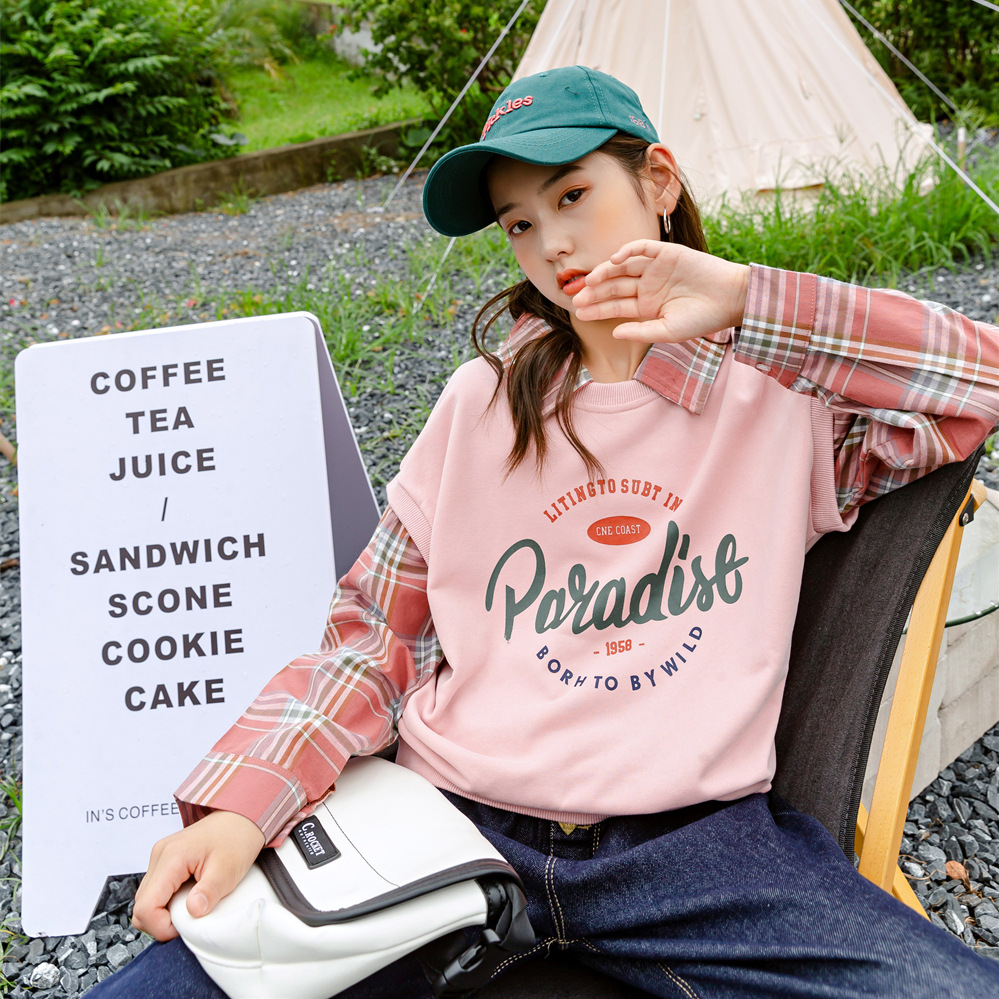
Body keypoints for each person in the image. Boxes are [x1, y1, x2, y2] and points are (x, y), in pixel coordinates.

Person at [92, 66, 999, 998]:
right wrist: (248, 802)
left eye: (572, 195)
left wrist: (743, 299)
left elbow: (981, 378)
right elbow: (373, 633)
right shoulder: (477, 404)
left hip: (695, 851)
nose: (552, 243)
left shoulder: (780, 403)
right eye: (519, 222)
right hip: (450, 830)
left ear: (657, 180)